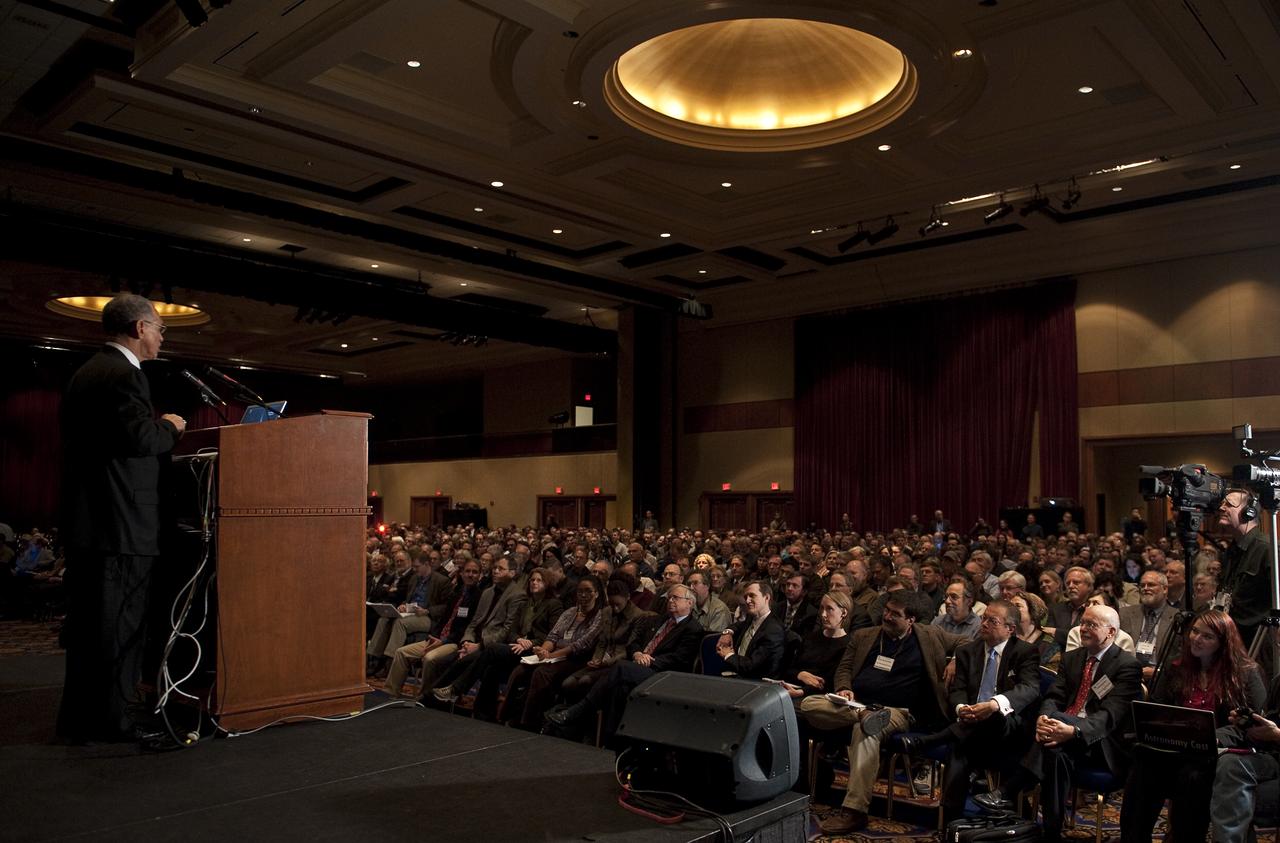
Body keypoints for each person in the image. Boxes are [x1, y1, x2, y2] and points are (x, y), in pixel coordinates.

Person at [57, 293, 187, 745]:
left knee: (90, 631)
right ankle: (113, 722)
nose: (161, 337)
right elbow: (140, 439)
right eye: (159, 328)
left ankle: (80, 718)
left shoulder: (87, 372)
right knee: (119, 630)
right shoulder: (125, 375)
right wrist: (170, 426)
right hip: (122, 526)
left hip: (91, 524)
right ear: (139, 328)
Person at [800, 592, 967, 834]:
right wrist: (844, 687)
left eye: (895, 614)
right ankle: (864, 715)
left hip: (899, 712)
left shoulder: (930, 635)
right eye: (886, 610)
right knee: (808, 704)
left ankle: (854, 811)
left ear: (911, 620)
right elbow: (844, 668)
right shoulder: (864, 635)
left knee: (867, 730)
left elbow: (967, 642)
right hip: (858, 706)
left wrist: (955, 659)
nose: (886, 616)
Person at [975, 605, 1142, 843]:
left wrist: (1072, 730)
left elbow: (1110, 716)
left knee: (1057, 730)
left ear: (1111, 632)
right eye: (1082, 623)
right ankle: (1051, 833)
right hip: (1060, 738)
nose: (1083, 629)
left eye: (1092, 625)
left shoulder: (1127, 665)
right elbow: (1054, 696)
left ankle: (1008, 790)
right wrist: (1044, 718)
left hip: (1100, 741)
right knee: (1056, 754)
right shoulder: (1073, 657)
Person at [1120, 610, 1265, 843]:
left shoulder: (1246, 673)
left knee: (1192, 776)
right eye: (1195, 631)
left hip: (1216, 755)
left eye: (1207, 636)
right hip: (1175, 747)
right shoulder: (1177, 667)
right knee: (1143, 764)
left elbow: (1254, 723)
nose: (1196, 639)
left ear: (1223, 643)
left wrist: (1214, 736)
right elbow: (1157, 707)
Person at [900, 599, 1041, 823]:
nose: (984, 624)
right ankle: (950, 819)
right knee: (960, 748)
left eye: (992, 621)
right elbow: (958, 690)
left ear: (1010, 629)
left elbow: (1030, 688)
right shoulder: (967, 651)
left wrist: (994, 704)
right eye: (984, 618)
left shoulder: (1025, 652)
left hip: (1008, 727)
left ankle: (931, 741)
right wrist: (961, 708)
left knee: (989, 719)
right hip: (971, 728)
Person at [1217, 488, 1273, 647]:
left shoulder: (1268, 549)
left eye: (1229, 504)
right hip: (1233, 639)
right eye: (1222, 503)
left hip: (1260, 644)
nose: (1221, 508)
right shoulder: (1231, 550)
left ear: (1249, 512)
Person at [714, 582, 786, 679]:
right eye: (746, 597)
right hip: (738, 675)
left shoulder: (773, 630)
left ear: (766, 598)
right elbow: (738, 625)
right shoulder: (751, 617)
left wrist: (728, 654)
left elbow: (751, 666)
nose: (747, 601)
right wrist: (728, 632)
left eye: (752, 596)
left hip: (757, 682)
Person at [1118, 570, 1179, 683]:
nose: (1145, 588)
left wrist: (1159, 672)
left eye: (1151, 585)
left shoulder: (1177, 617)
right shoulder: (1125, 614)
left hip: (1161, 679)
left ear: (1165, 589)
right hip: (1127, 675)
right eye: (1142, 585)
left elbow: (1179, 656)